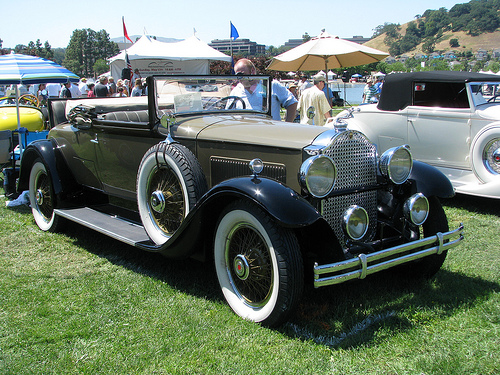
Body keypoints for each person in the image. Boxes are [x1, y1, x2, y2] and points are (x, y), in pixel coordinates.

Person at [231, 58, 297, 122]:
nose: (240, 79)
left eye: (242, 74)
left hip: (269, 130)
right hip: (244, 131)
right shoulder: (236, 91)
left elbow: (292, 102)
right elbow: (228, 112)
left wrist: (287, 124)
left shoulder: (271, 85)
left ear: (252, 71)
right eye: (237, 76)